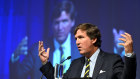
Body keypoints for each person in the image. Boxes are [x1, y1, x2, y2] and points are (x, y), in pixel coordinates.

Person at [9, 1, 81, 79]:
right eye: (57, 22)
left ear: (72, 22)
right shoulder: (36, 50)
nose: (60, 28)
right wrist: (15, 57)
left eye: (64, 21)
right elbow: (17, 77)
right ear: (52, 24)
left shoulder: (82, 50)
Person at [39, 23, 136, 79]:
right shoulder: (75, 64)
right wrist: (45, 62)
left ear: (93, 39)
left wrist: (129, 54)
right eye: (76, 38)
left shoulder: (112, 60)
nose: (77, 42)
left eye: (81, 37)